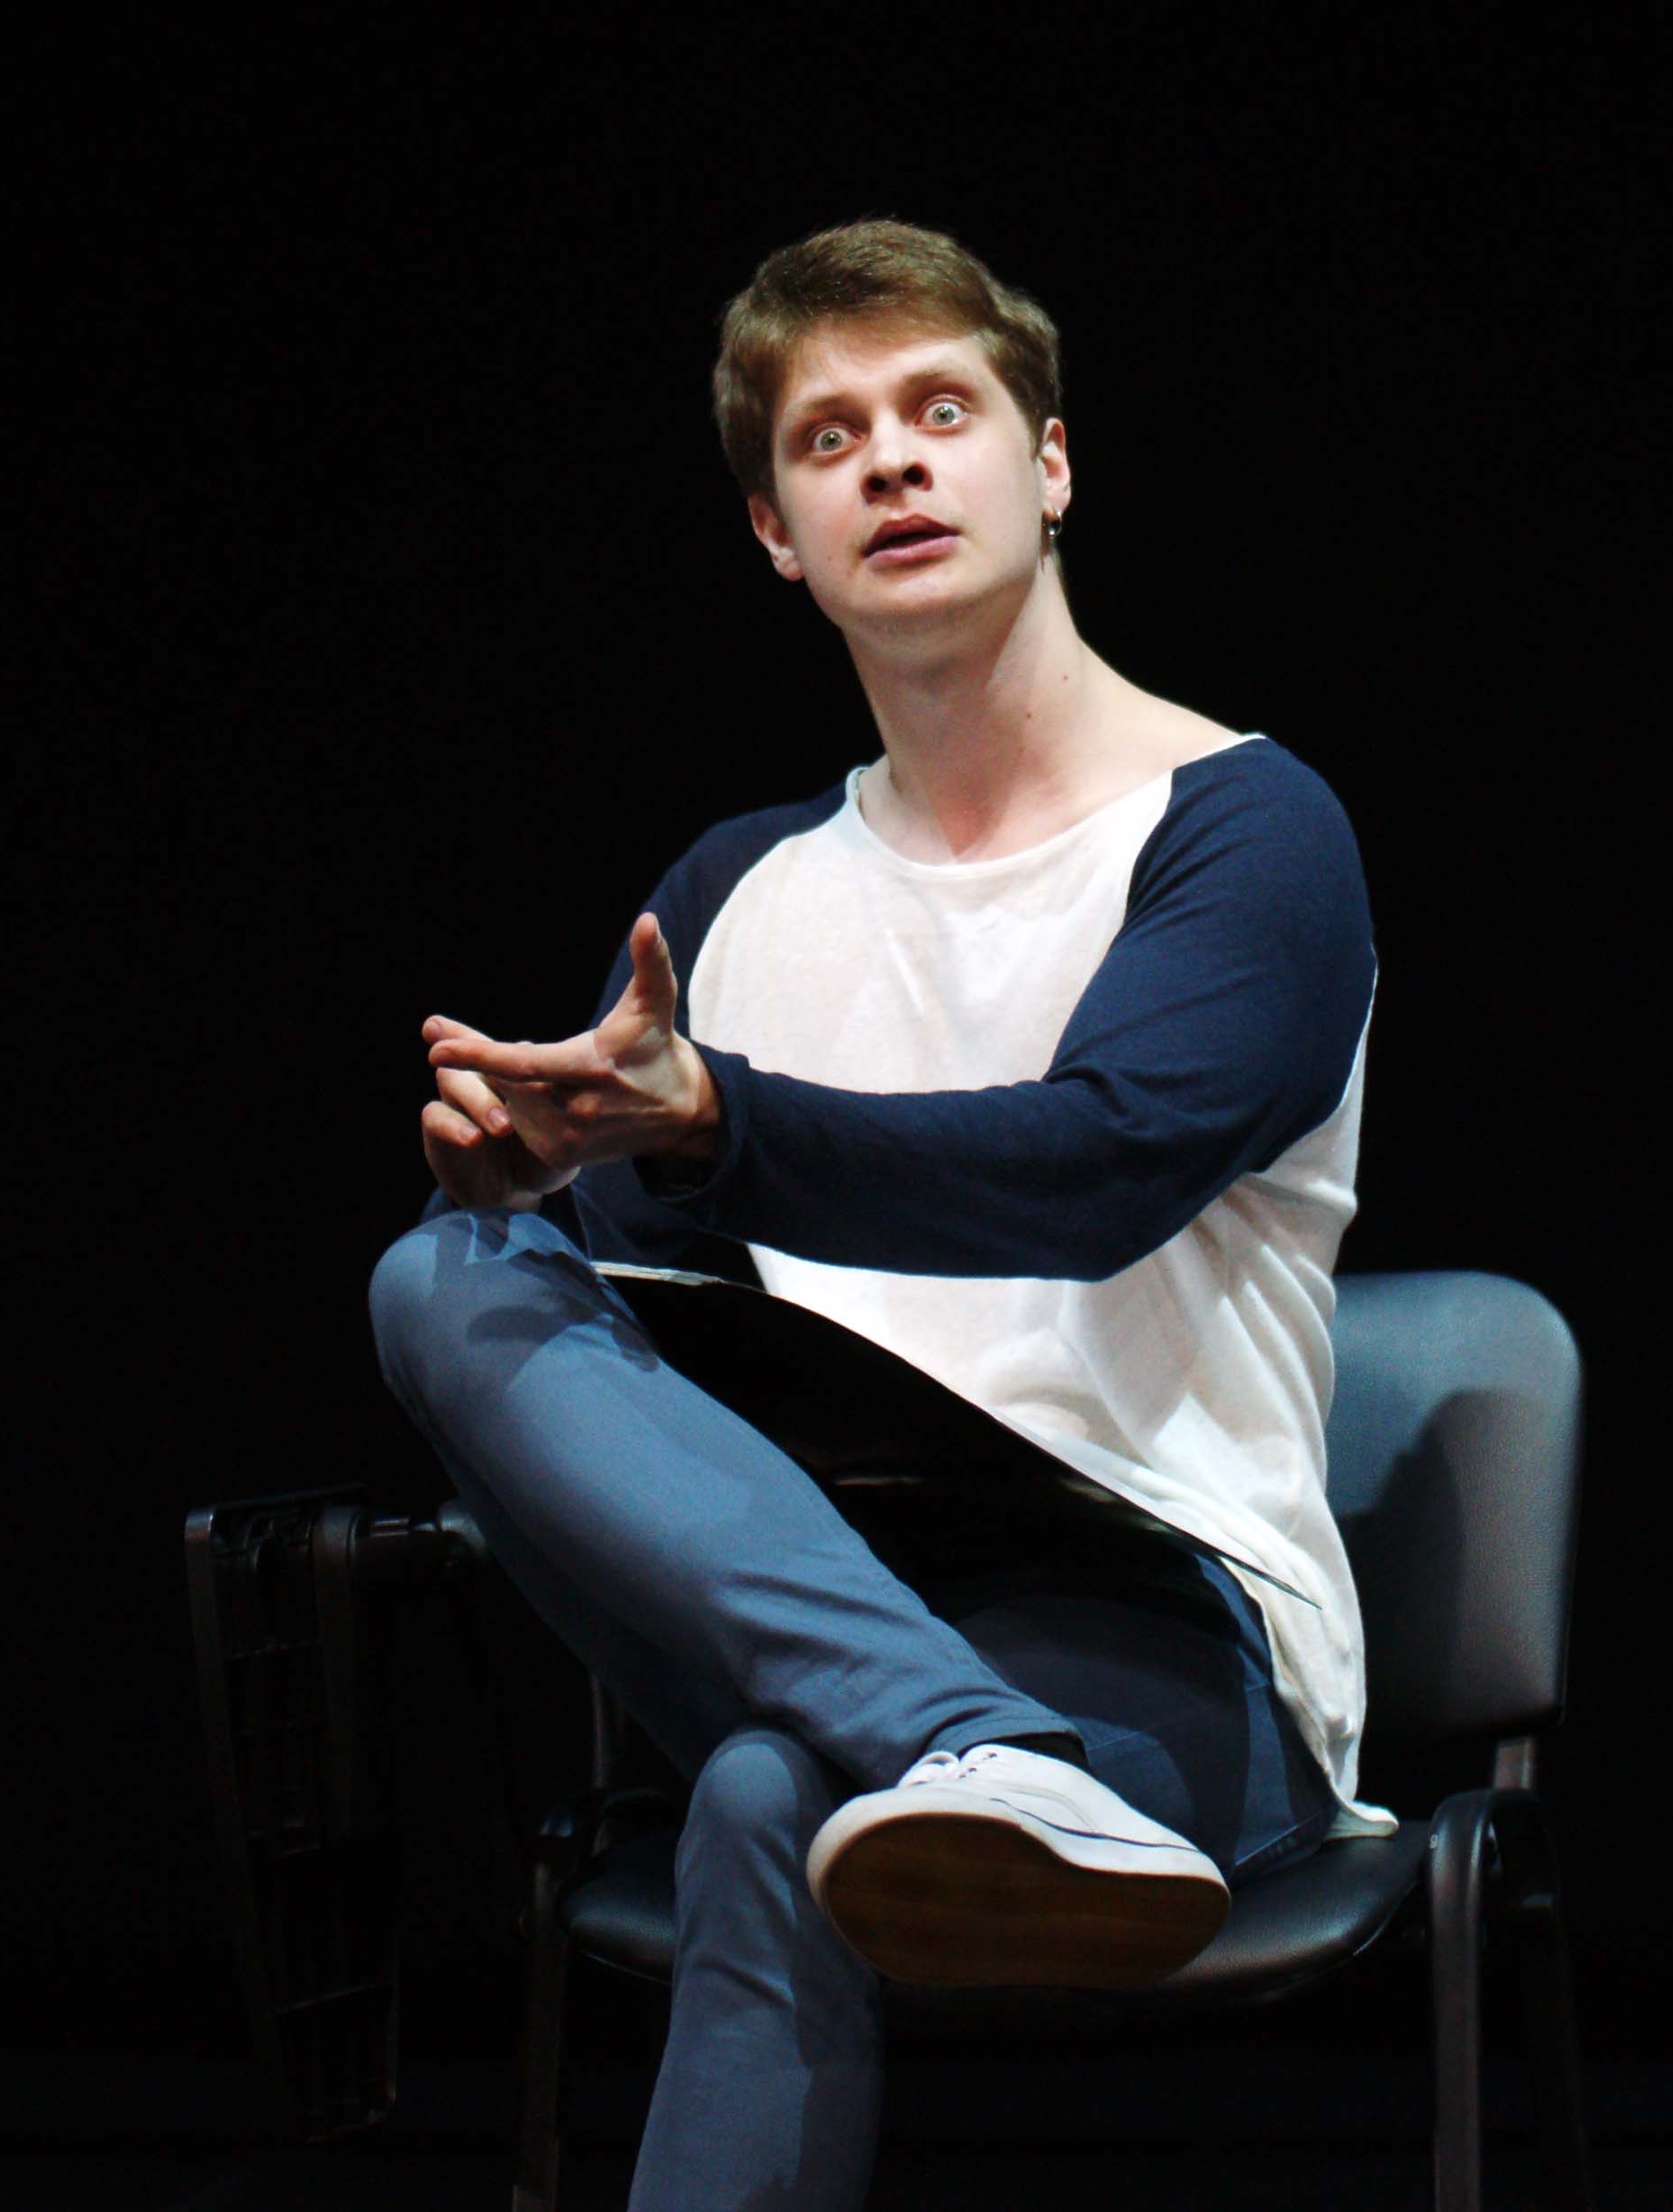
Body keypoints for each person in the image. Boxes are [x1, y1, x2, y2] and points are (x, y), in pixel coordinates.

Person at [369, 218, 1382, 2208]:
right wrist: (538, 1181)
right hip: (815, 1591)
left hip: (1162, 1613)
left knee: (767, 1795)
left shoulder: (1246, 824)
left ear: (1051, 465)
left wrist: (715, 1127)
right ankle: (964, 1736)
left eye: (941, 411)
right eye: (830, 439)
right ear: (775, 531)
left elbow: (1096, 1172)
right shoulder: (736, 888)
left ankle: (986, 1749)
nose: (894, 462)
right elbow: (640, 1278)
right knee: (444, 1275)